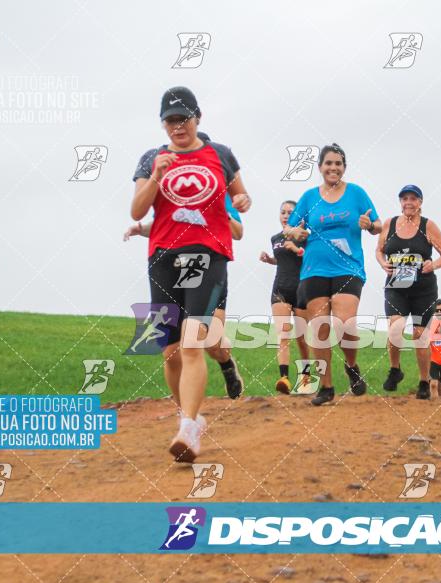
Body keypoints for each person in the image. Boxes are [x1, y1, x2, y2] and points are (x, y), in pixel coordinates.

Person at [130, 86, 251, 462]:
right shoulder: (152, 158)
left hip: (206, 255)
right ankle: (188, 418)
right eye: (170, 120)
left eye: (183, 118)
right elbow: (136, 210)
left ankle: (189, 427)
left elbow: (240, 198)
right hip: (163, 256)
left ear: (197, 117)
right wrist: (154, 178)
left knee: (193, 342)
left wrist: (243, 201)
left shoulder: (220, 154)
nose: (176, 126)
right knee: (169, 352)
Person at [284, 143, 381, 406]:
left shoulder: (357, 193)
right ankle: (325, 387)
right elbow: (288, 228)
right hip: (314, 269)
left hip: (348, 268)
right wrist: (295, 233)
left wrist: (369, 225)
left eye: (338, 163)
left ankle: (351, 366)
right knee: (320, 329)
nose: (333, 168)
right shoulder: (309, 197)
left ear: (344, 167)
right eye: (329, 163)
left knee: (345, 323)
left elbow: (378, 225)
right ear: (320, 168)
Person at [377, 185, 441, 400]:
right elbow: (379, 250)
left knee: (420, 335)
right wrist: (383, 263)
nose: (408, 202)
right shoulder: (390, 224)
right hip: (396, 287)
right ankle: (395, 369)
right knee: (395, 327)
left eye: (413, 198)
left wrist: (434, 264)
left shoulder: (428, 226)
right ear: (400, 202)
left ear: (420, 202)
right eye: (404, 198)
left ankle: (423, 381)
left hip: (423, 290)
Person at [259, 200, 311, 394]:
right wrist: (269, 259)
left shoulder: (305, 237)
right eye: (283, 212)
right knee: (283, 335)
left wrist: (297, 249)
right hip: (280, 288)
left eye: (290, 212)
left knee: (302, 338)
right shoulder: (275, 238)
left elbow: (313, 259)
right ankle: (284, 379)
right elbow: (281, 260)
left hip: (301, 289)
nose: (286, 215)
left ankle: (306, 377)